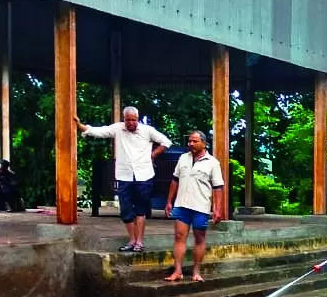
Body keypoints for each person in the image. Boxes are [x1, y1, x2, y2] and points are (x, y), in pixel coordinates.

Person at [76, 107, 170, 253]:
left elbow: (165, 142)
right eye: (128, 120)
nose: (131, 123)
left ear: (137, 119)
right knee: (125, 209)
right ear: (124, 119)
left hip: (143, 175)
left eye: (134, 120)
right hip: (124, 175)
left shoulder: (147, 130)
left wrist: (153, 154)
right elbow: (100, 131)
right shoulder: (118, 129)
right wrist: (82, 126)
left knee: (140, 210)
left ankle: (139, 242)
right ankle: (131, 240)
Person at [164, 129, 225, 282]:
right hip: (182, 204)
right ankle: (177, 271)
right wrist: (169, 201)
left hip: (201, 206)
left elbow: (218, 187)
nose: (191, 143)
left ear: (203, 143)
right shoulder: (183, 158)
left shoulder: (212, 163)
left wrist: (217, 209)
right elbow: (174, 180)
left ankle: (196, 271)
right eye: (189, 141)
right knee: (179, 236)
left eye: (194, 141)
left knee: (200, 238)